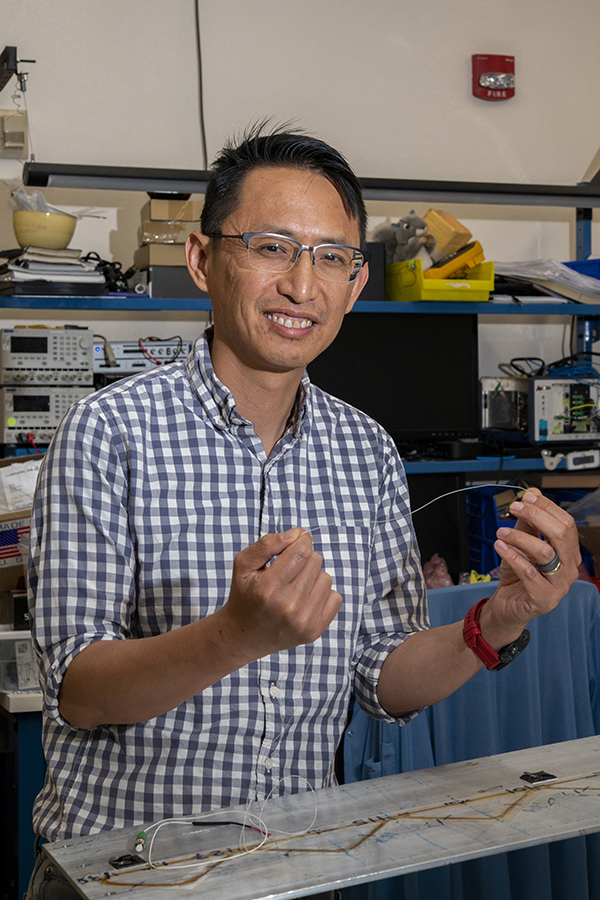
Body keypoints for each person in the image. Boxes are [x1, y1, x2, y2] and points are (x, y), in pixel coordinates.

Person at [26, 125, 580, 898]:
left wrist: (499, 618)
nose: (301, 285)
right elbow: (79, 690)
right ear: (202, 260)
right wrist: (232, 635)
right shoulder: (109, 433)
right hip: (130, 882)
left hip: (296, 873)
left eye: (331, 257)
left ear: (356, 285)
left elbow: (382, 676)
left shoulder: (367, 452)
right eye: (271, 247)